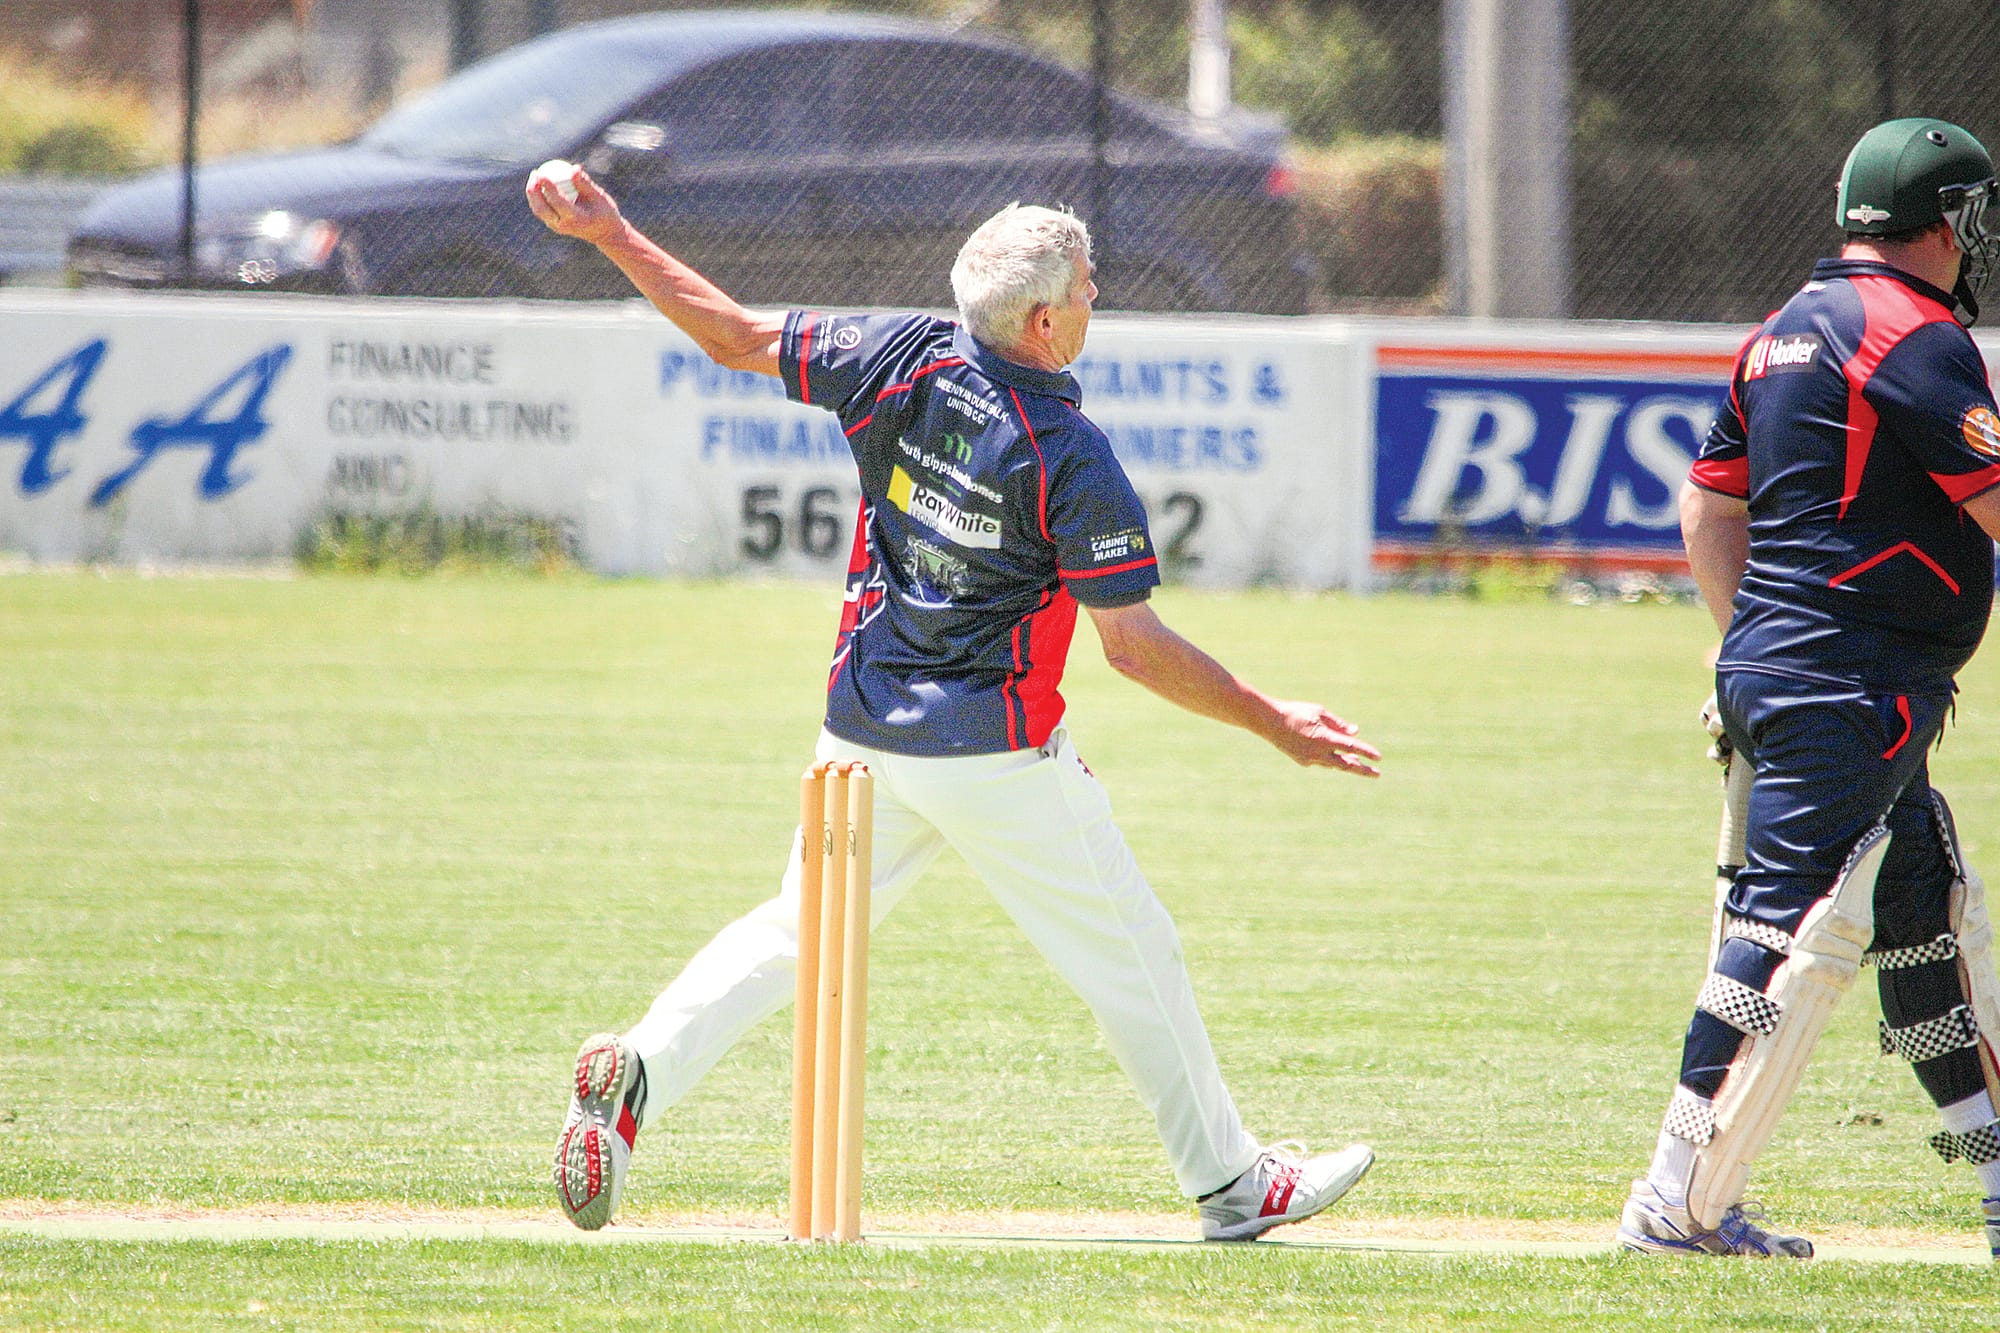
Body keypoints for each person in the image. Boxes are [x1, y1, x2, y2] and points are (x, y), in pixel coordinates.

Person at [525, 166, 1385, 1241]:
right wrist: (1274, 721)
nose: (1095, 299)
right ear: (1040, 319)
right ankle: (1229, 1182)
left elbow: (736, 335)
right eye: (1086, 287)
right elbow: (1133, 647)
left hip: (859, 730)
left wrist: (611, 231)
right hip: (994, 757)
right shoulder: (1066, 453)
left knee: (795, 933)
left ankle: (636, 1072)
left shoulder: (901, 355)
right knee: (1137, 954)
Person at [1620, 118, 2000, 1260]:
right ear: (1943, 221)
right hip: (1850, 685)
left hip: (1804, 677)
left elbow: (1706, 508)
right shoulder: (1911, 332)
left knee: (1924, 927)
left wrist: (1755, 646)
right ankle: (1673, 1199)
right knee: (1781, 937)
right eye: (1970, 213)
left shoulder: (1778, 331)